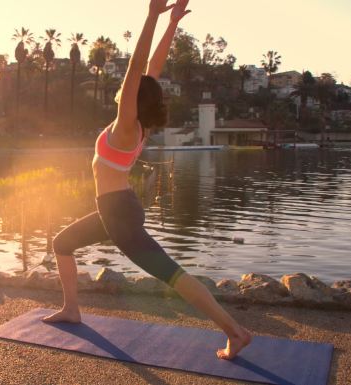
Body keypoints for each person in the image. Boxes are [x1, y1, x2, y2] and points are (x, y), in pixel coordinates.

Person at [42, 0, 252, 360]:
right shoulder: (137, 123)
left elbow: (139, 67)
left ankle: (235, 331)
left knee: (171, 274)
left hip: (120, 216)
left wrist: (151, 17)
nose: (127, 81)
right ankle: (72, 309)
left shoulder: (127, 125)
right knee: (63, 243)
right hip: (116, 208)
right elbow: (151, 69)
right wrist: (171, 24)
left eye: (131, 82)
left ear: (133, 96)